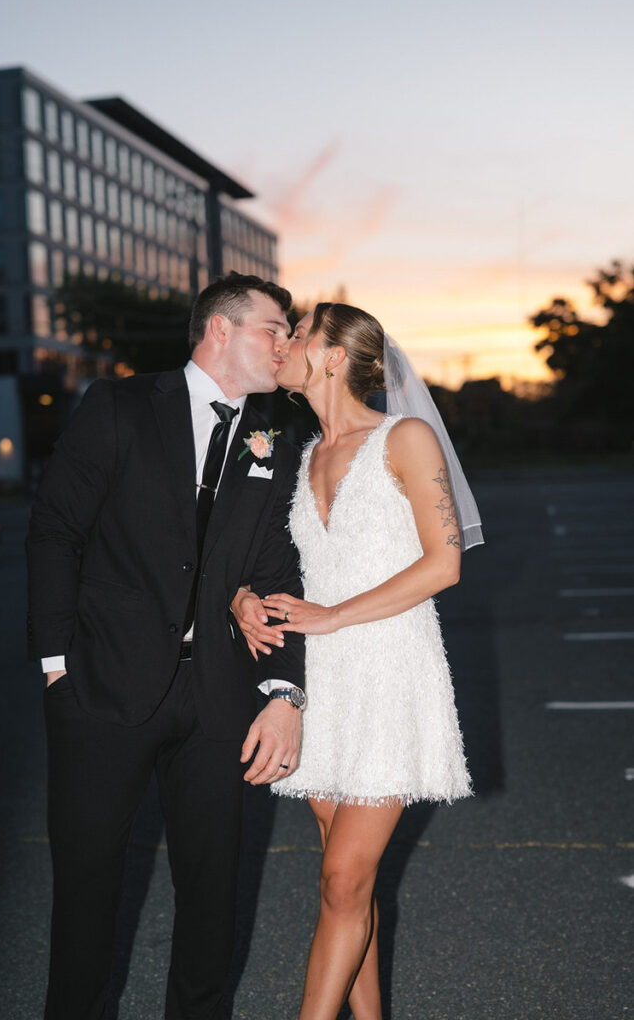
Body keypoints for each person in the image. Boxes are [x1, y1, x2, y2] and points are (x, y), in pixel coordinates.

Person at [26, 272, 307, 1020]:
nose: (287, 342)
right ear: (221, 329)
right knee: (87, 890)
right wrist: (57, 664)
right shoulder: (119, 406)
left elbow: (278, 569)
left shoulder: (280, 433)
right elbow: (57, 531)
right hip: (101, 688)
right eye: (274, 328)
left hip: (218, 697)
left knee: (213, 891)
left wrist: (283, 692)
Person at [232, 302, 483, 1020]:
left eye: (298, 333)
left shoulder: (405, 438)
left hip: (391, 670)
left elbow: (445, 564)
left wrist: (334, 616)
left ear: (335, 356)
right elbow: (277, 560)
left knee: (343, 881)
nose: (283, 343)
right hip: (326, 682)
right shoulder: (301, 451)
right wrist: (245, 597)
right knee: (348, 885)